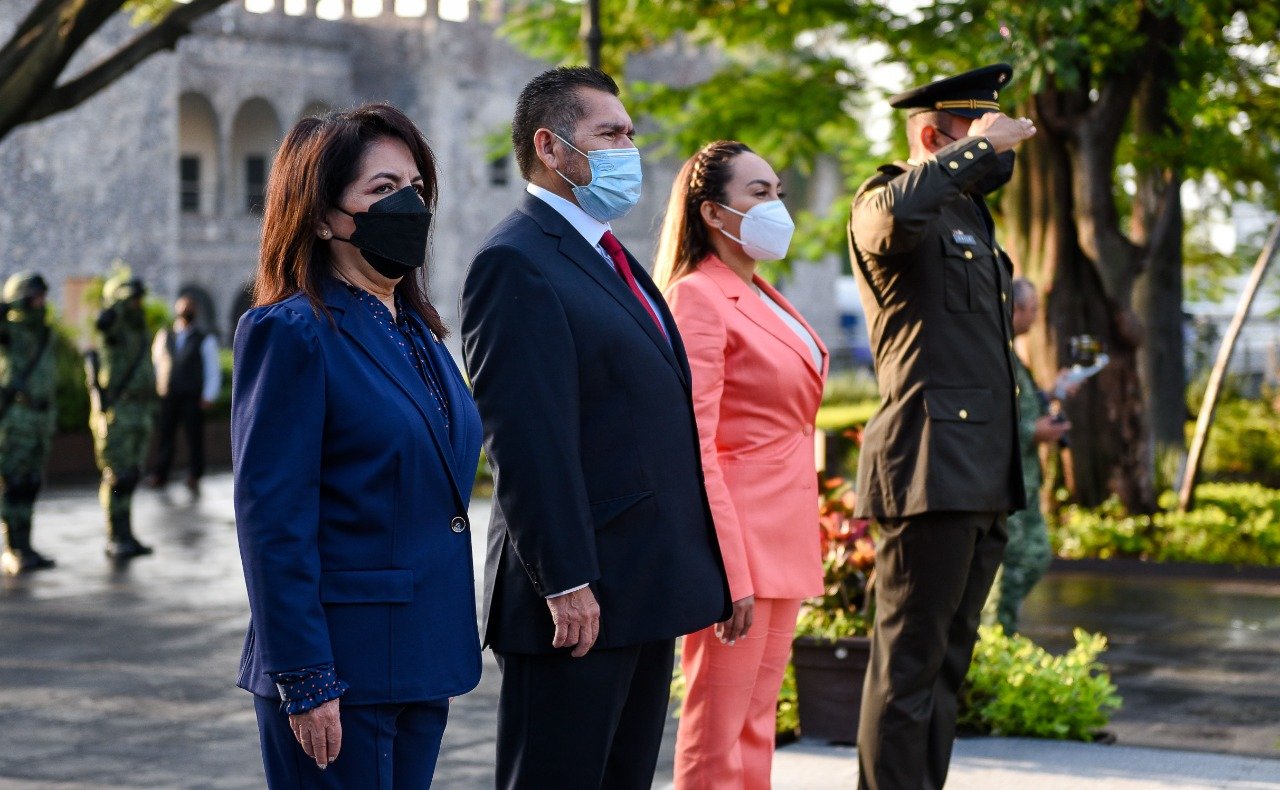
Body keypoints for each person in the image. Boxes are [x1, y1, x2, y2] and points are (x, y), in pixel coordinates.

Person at [460, 67, 730, 790]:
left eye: (630, 134)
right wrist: (566, 580)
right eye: (610, 134)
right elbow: (526, 442)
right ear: (551, 148)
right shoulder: (515, 261)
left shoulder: (607, 255)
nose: (629, 148)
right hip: (578, 602)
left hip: (641, 587)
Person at [231, 103, 483, 788]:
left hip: (422, 658)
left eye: (417, 189)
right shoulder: (292, 332)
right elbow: (272, 522)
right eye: (382, 190)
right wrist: (307, 680)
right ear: (320, 215)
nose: (410, 205)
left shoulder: (419, 332)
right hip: (342, 671)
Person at [847, 63, 1037, 790]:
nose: (1000, 152)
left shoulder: (968, 216)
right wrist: (974, 150)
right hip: (927, 467)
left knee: (946, 672)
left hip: (981, 473)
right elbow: (893, 220)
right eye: (983, 132)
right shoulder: (885, 200)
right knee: (907, 674)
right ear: (934, 136)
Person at [653, 140, 828, 789]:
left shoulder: (765, 293)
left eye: (777, 190)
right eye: (758, 193)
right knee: (717, 730)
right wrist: (728, 567)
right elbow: (696, 441)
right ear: (712, 211)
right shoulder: (698, 295)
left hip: (784, 536)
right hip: (741, 546)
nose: (776, 205)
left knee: (758, 723)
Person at [984, 278, 1074, 634]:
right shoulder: (994, 354)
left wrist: (1054, 393)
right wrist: (1032, 432)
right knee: (1016, 563)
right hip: (1007, 481)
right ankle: (994, 643)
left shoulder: (1011, 355)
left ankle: (998, 639)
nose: (1036, 317)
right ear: (1014, 309)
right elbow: (992, 420)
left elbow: (1022, 407)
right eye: (1032, 309)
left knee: (1031, 558)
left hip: (1024, 478)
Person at [89, 272, 157, 560]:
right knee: (116, 477)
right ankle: (115, 536)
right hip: (118, 412)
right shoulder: (114, 327)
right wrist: (117, 303)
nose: (137, 304)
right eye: (132, 299)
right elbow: (105, 323)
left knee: (130, 476)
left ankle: (127, 533)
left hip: (139, 411)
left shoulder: (138, 328)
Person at [0, 273, 57, 575]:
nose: (41, 301)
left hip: (39, 418)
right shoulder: (10, 329)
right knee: (14, 482)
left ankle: (26, 543)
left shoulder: (43, 331)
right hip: (17, 418)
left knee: (32, 482)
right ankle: (12, 548)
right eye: (35, 295)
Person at [147, 295, 220, 496]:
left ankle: (195, 474)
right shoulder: (165, 335)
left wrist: (209, 394)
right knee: (165, 436)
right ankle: (160, 473)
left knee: (194, 436)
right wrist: (155, 387)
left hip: (192, 395)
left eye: (189, 308)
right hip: (168, 394)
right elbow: (156, 362)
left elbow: (211, 368)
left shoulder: (204, 338)